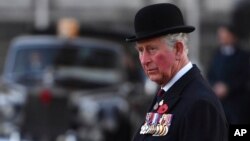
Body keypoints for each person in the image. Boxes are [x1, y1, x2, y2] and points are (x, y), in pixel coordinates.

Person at [126, 3, 228, 141]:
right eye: (140, 50)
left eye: (152, 49)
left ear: (178, 49)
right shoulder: (168, 93)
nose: (144, 60)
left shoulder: (199, 104)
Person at [207, 24, 250, 124]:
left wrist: (228, 87)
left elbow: (244, 77)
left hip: (238, 104)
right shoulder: (216, 55)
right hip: (220, 103)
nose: (221, 37)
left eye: (224, 34)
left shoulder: (243, 56)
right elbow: (210, 74)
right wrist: (215, 86)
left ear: (232, 36)